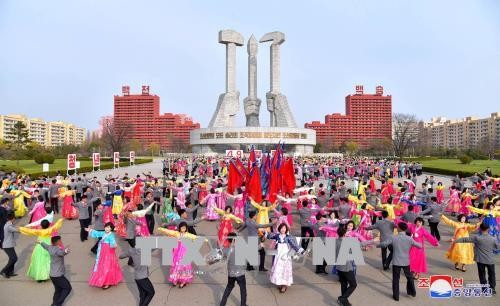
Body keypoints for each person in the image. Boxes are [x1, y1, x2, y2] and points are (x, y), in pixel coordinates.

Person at [376, 222, 422, 301]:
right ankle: (412, 291)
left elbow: (384, 244)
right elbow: (419, 246)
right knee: (409, 277)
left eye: (397, 227)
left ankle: (396, 296)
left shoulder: (393, 237)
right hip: (406, 261)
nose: (396, 228)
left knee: (396, 279)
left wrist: (377, 244)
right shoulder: (409, 238)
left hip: (396, 261)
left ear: (399, 228)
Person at [456, 223, 498, 295]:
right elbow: (497, 247)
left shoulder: (477, 237)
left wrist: (455, 240)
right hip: (490, 260)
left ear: (480, 229)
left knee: (482, 274)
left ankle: (484, 288)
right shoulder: (493, 239)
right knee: (492, 274)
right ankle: (492, 288)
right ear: (488, 229)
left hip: (480, 259)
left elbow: (465, 239)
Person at [268, 223, 304, 293]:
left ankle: (284, 285)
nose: (283, 229)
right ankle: (279, 282)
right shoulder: (277, 236)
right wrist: (263, 232)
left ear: (286, 229)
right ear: (279, 229)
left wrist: (301, 251)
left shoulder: (288, 237)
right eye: (282, 228)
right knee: (278, 268)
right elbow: (269, 236)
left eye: (284, 228)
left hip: (285, 255)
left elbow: (294, 245)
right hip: (278, 255)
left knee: (285, 269)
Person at [86, 222, 123, 289]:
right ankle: (102, 280)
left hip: (108, 252)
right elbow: (97, 233)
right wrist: (90, 230)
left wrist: (114, 245)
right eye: (106, 227)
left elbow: (112, 243)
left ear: (111, 228)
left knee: (107, 266)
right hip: (102, 252)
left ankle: (108, 282)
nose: (107, 229)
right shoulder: (103, 233)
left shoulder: (111, 235)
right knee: (101, 265)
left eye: (109, 227)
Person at [39, 235, 72, 306]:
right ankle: (57, 304)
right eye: (60, 240)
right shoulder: (58, 250)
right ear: (57, 242)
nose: (61, 241)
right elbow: (61, 253)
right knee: (68, 288)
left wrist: (40, 242)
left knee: (58, 290)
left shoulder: (50, 247)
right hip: (58, 275)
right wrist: (66, 251)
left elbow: (45, 245)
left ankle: (54, 303)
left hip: (52, 275)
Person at [219, 232, 247, 306]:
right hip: (240, 273)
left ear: (228, 240)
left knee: (229, 287)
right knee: (243, 289)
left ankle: (222, 304)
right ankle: (243, 304)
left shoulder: (226, 250)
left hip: (231, 273)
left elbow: (221, 254)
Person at [1, 212, 19, 278]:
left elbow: (15, 228)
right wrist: (25, 228)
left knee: (12, 258)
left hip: (9, 245)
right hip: (7, 246)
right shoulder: (8, 226)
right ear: (13, 218)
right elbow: (17, 230)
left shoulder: (9, 224)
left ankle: (10, 272)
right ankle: (3, 271)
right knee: (14, 258)